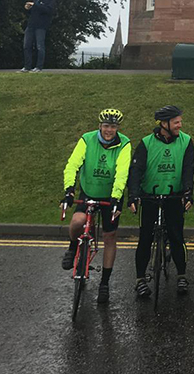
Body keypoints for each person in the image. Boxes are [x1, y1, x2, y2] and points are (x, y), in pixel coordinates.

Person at [61, 108, 131, 304]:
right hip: (89, 191)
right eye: (106, 126)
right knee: (78, 221)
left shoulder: (124, 143)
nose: (109, 130)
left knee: (110, 236)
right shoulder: (87, 139)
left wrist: (116, 197)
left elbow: (122, 172)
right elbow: (72, 165)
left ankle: (105, 283)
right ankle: (73, 246)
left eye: (113, 126)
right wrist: (69, 190)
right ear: (100, 126)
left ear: (118, 128)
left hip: (111, 195)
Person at [128, 105, 194, 299]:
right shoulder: (146, 143)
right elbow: (136, 171)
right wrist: (133, 195)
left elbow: (188, 169)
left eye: (180, 121)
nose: (180, 125)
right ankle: (140, 279)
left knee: (176, 237)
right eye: (176, 122)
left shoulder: (186, 141)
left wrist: (188, 192)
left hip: (174, 197)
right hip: (150, 197)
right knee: (145, 239)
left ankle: (181, 275)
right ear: (164, 124)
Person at [20, 0, 55, 72]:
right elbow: (34, 12)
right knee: (26, 45)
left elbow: (48, 10)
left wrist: (35, 5)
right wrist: (28, 9)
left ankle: (39, 67)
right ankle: (27, 67)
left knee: (40, 46)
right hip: (31, 25)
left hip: (41, 26)